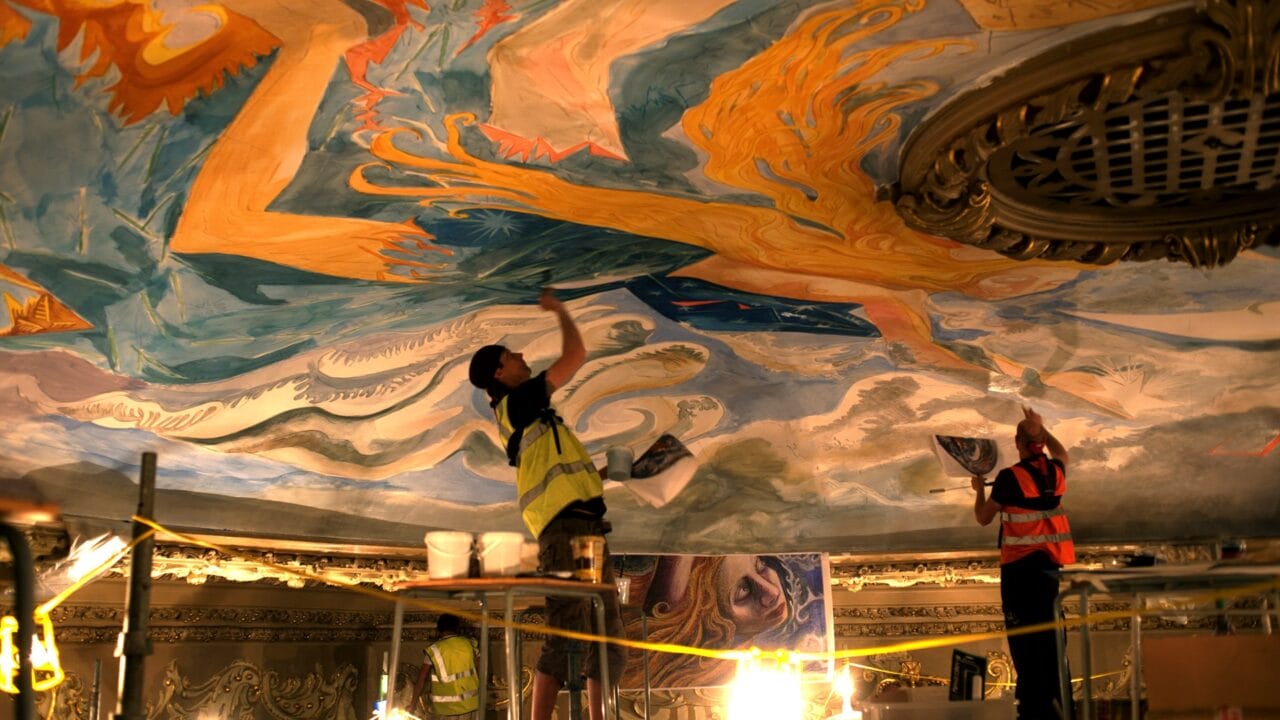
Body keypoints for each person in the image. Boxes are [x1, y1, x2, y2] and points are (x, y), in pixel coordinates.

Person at [467, 289, 626, 720]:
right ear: (500, 372)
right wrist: (560, 310)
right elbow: (576, 354)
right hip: (567, 531)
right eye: (511, 354)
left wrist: (608, 475)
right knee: (567, 632)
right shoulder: (518, 402)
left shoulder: (533, 417)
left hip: (583, 527)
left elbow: (563, 477)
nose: (520, 355)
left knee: (605, 637)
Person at [971, 407, 1074, 720]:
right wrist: (1042, 430)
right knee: (1051, 642)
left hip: (1018, 574)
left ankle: (1032, 711)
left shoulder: (1009, 479)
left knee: (1025, 646)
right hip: (1048, 570)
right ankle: (1057, 708)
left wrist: (978, 492)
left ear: (1016, 442)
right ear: (1040, 443)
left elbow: (983, 517)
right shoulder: (1056, 473)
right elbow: (1062, 453)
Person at [620, 555, 795, 689]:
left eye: (760, 566)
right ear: (713, 619)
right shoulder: (718, 676)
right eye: (743, 591)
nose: (772, 593)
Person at [410, 614, 480, 720]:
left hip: (446, 710)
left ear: (439, 629)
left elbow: (421, 680)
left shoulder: (434, 650)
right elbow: (480, 669)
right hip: (471, 706)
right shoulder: (469, 644)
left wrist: (413, 704)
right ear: (457, 628)